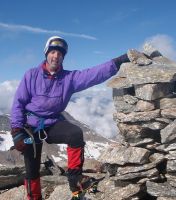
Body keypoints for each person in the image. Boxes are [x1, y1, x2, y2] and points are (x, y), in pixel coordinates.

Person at [10, 36, 129, 200]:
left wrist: (118, 62)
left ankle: (75, 180)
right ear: (46, 54)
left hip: (52, 123)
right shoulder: (31, 75)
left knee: (75, 133)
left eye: (60, 54)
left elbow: (93, 74)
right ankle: (34, 197)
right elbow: (18, 103)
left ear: (63, 57)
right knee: (32, 168)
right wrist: (16, 131)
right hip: (30, 127)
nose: (56, 56)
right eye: (52, 52)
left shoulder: (69, 78)